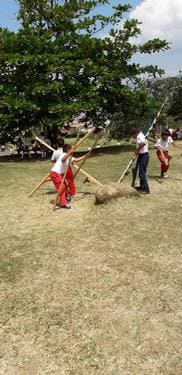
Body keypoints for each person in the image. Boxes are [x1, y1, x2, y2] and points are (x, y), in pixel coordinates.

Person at [50, 144, 90, 209]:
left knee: (65, 185)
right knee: (61, 188)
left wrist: (85, 156)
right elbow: (63, 159)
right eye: (71, 149)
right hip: (55, 174)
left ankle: (65, 198)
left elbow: (76, 160)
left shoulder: (69, 157)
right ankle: (63, 203)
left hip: (58, 174)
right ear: (68, 150)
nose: (73, 150)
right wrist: (69, 152)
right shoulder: (63, 155)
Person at [131, 128, 150, 194]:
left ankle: (146, 189)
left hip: (144, 156)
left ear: (135, 133)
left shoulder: (139, 136)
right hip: (141, 155)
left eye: (132, 135)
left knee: (142, 173)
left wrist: (137, 150)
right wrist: (137, 150)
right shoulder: (140, 136)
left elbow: (144, 143)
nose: (132, 137)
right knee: (140, 173)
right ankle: (142, 186)